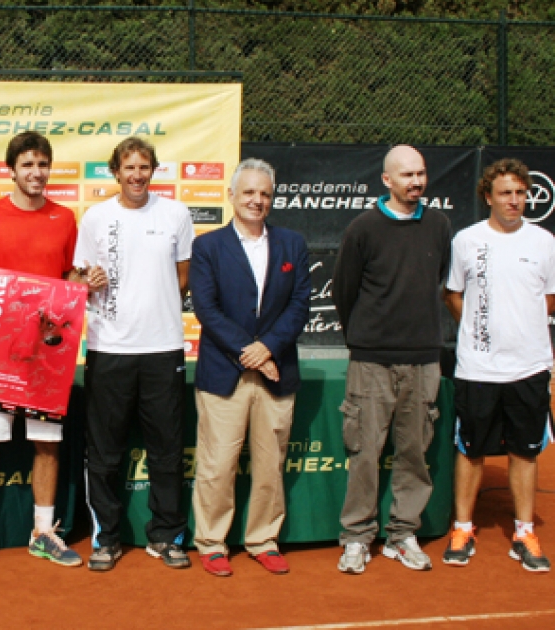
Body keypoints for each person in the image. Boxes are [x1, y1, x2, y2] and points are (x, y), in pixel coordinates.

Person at [0, 131, 90, 573]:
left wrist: (84, 286)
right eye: (28, 164)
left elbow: (70, 276)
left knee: (47, 444)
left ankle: (43, 532)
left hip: (47, 355)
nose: (36, 172)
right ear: (10, 169)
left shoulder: (66, 219)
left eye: (43, 164)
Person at [74, 137, 193, 571]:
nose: (137, 175)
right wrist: (89, 282)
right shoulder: (96, 217)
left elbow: (182, 277)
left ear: (153, 170)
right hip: (109, 349)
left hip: (163, 348)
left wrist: (153, 308)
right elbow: (79, 275)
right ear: (115, 172)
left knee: (166, 449)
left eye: (145, 167)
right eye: (129, 168)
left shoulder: (176, 214)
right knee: (104, 452)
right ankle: (106, 537)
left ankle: (167, 536)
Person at [333, 144, 451, 574]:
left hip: (424, 360)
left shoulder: (439, 224)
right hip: (372, 362)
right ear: (386, 180)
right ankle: (357, 537)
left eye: (420, 174)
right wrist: (366, 339)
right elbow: (344, 291)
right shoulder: (362, 228)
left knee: (414, 452)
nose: (416, 182)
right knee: (364, 452)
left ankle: (402, 534)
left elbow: (436, 281)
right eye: (406, 175)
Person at [189, 159, 310, 577]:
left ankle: (262, 538)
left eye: (264, 194)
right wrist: (251, 351)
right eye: (249, 193)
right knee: (218, 464)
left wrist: (269, 348)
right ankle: (211, 541)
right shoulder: (207, 247)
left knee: (269, 464)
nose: (257, 201)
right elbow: (207, 308)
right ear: (232, 196)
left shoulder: (293, 244)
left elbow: (299, 306)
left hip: (276, 373)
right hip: (225, 374)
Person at [443, 158, 555, 572]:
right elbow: (454, 295)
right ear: (488, 196)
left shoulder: (545, 242)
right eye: (505, 193)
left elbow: (548, 300)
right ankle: (462, 526)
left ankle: (524, 532)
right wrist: (479, 332)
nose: (514, 201)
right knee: (470, 449)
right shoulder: (466, 241)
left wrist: (521, 333)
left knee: (525, 452)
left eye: (521, 193)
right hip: (478, 369)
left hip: (530, 367)